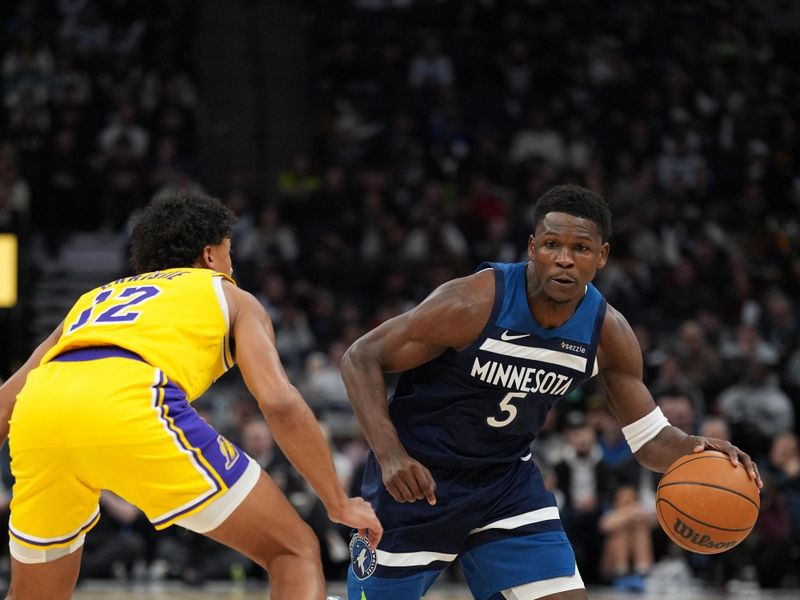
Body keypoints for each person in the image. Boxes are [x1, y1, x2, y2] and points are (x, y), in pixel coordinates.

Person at [340, 184, 761, 600]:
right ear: (531, 248)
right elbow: (361, 357)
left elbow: (648, 439)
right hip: (419, 480)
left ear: (602, 256)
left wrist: (696, 450)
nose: (563, 259)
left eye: (580, 248)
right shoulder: (475, 302)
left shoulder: (606, 333)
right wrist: (390, 454)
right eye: (551, 244)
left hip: (504, 484)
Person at [0, 192, 381, 600]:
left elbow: (7, 398)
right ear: (210, 255)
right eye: (229, 252)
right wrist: (338, 502)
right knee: (294, 549)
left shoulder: (93, 300)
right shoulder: (229, 295)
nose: (232, 264)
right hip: (129, 403)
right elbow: (279, 400)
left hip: (38, 416)